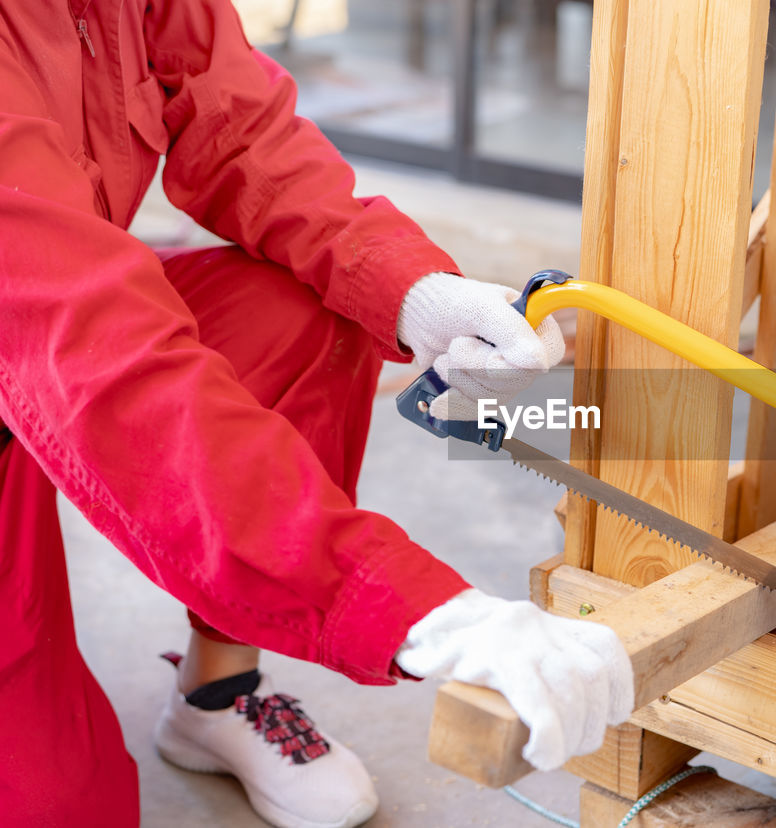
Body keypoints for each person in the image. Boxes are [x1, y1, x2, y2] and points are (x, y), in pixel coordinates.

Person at [0, 1, 632, 826]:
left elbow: (242, 134)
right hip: (50, 331)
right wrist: (410, 607)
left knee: (311, 303)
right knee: (60, 809)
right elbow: (102, 368)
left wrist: (411, 290)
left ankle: (217, 694)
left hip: (50, 322)